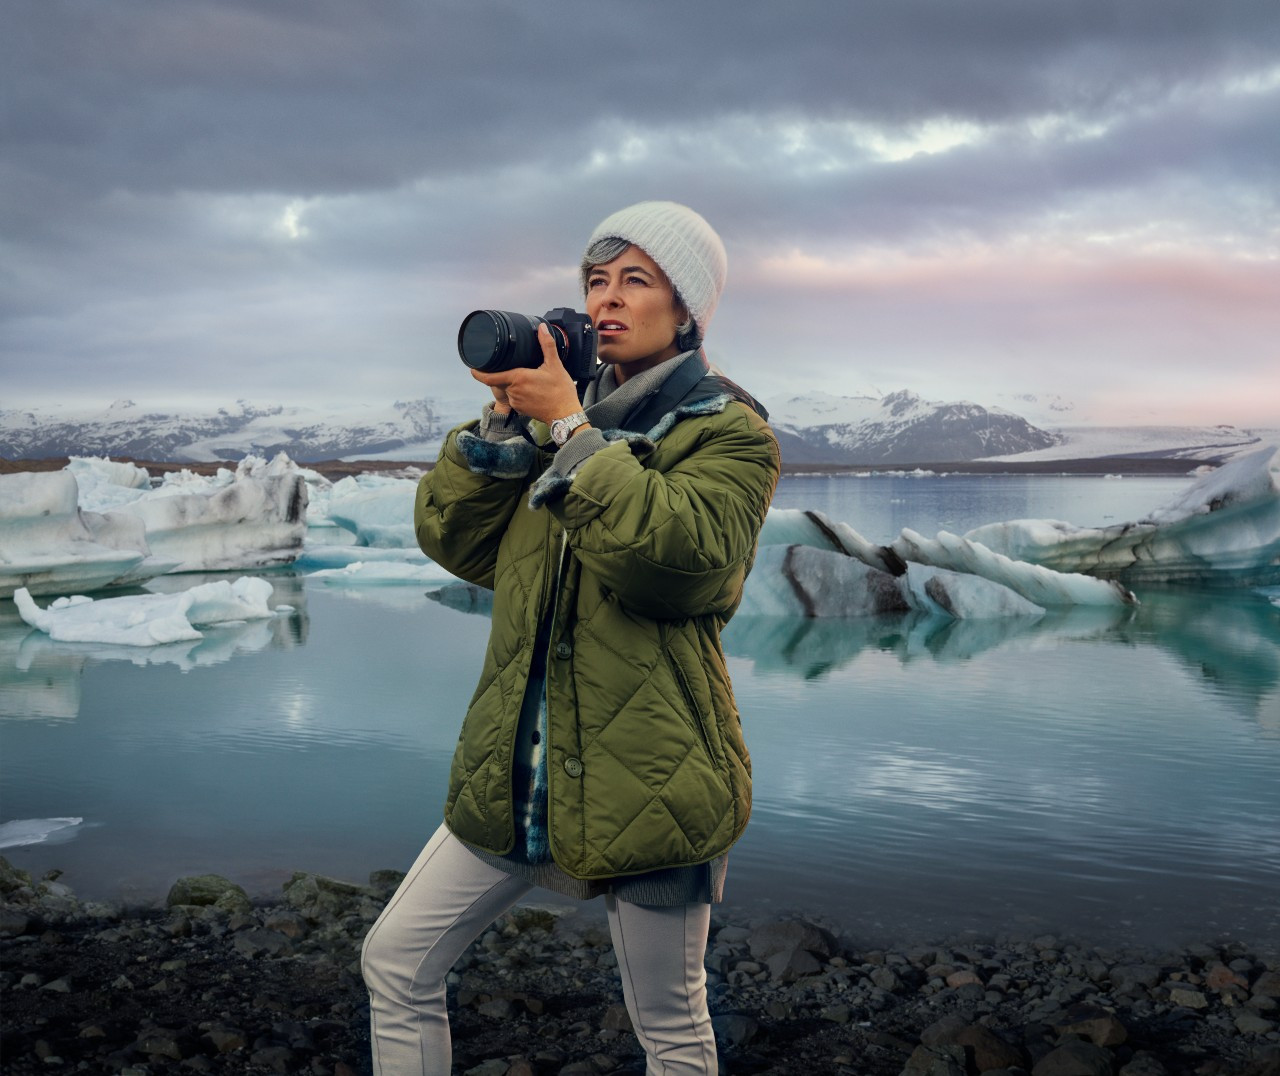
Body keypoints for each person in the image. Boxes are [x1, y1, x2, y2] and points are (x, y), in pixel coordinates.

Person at [361, 201, 781, 1075]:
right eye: (597, 280)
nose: (607, 300)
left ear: (688, 309)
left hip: (653, 774)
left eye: (636, 280)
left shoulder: (729, 433)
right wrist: (501, 434)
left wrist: (573, 435)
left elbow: (679, 567)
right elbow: (464, 548)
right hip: (518, 768)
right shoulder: (555, 422)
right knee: (395, 962)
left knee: (668, 1022)